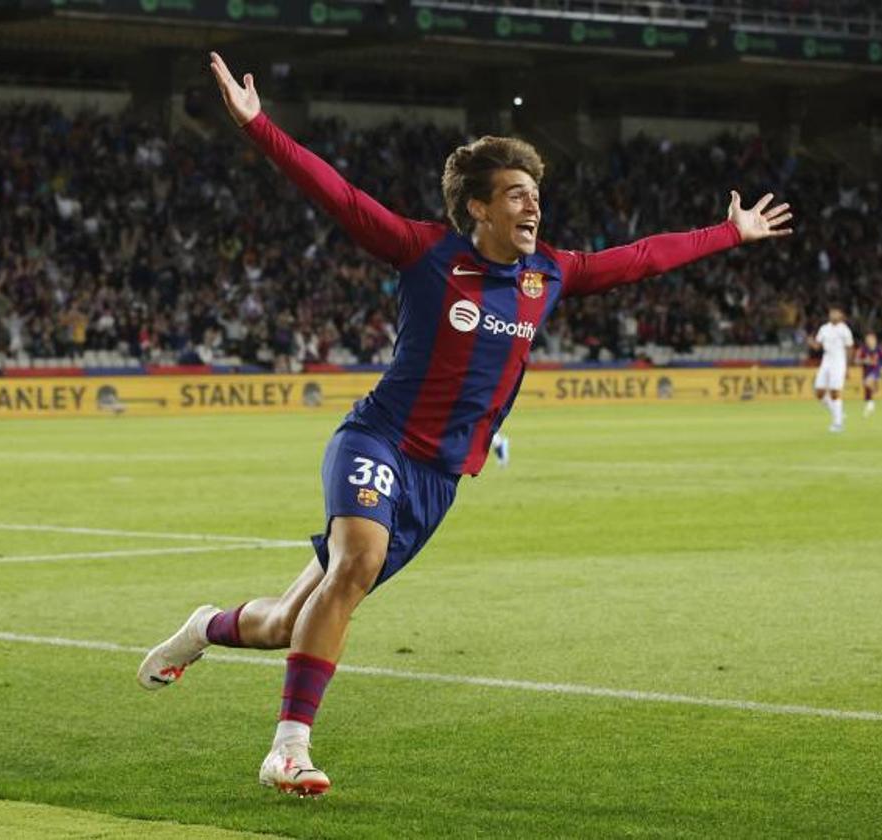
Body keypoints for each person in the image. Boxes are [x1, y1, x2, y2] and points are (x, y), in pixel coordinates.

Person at [136, 51, 794, 798]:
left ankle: (203, 628)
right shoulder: (426, 253)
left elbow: (640, 258)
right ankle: (288, 749)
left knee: (289, 621)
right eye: (516, 194)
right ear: (479, 207)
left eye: (536, 194)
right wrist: (261, 129)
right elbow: (341, 198)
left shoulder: (549, 274)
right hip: (376, 439)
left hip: (439, 480)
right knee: (353, 567)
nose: (533, 206)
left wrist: (729, 234)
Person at [808, 307, 853, 432]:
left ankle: (838, 423)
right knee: (819, 392)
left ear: (841, 315)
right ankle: (838, 412)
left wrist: (848, 367)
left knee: (835, 391)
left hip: (839, 361)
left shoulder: (845, 330)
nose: (833, 314)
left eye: (836, 312)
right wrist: (811, 342)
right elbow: (817, 346)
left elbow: (849, 348)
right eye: (831, 312)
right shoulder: (824, 328)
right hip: (826, 360)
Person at [854, 331, 882, 417]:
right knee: (867, 391)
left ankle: (875, 390)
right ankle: (870, 405)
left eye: (871, 339)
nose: (869, 341)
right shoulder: (862, 350)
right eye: (868, 339)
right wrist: (864, 361)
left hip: (876, 370)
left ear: (875, 340)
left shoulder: (879, 349)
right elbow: (856, 361)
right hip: (866, 371)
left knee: (868, 382)